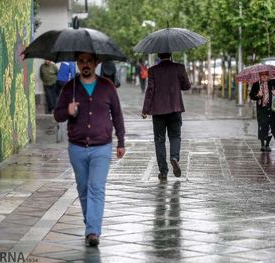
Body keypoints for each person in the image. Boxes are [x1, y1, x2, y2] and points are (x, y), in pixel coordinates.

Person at [53, 52, 125, 247]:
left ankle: (92, 231)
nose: (85, 65)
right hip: (77, 148)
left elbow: (117, 114)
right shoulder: (70, 88)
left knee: (96, 188)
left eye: (89, 61)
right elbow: (57, 115)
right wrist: (67, 111)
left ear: (96, 63)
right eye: (81, 61)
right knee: (83, 189)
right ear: (77, 64)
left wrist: (121, 141)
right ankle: (90, 224)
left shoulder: (107, 87)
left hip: (102, 147)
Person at [141, 53, 191, 181]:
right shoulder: (179, 67)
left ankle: (163, 172)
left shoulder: (152, 70)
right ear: (171, 54)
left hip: (158, 111)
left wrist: (145, 109)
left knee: (159, 140)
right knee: (175, 136)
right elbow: (186, 86)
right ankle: (174, 157)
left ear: (159, 55)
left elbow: (150, 91)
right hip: (175, 108)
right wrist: (176, 80)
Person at [249, 71, 275, 151]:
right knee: (262, 126)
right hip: (262, 109)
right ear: (259, 76)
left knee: (271, 127)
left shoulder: (272, 82)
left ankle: (267, 144)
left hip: (272, 109)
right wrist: (258, 95)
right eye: (262, 75)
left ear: (268, 76)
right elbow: (252, 95)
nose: (264, 77)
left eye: (266, 75)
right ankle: (262, 144)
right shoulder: (256, 84)